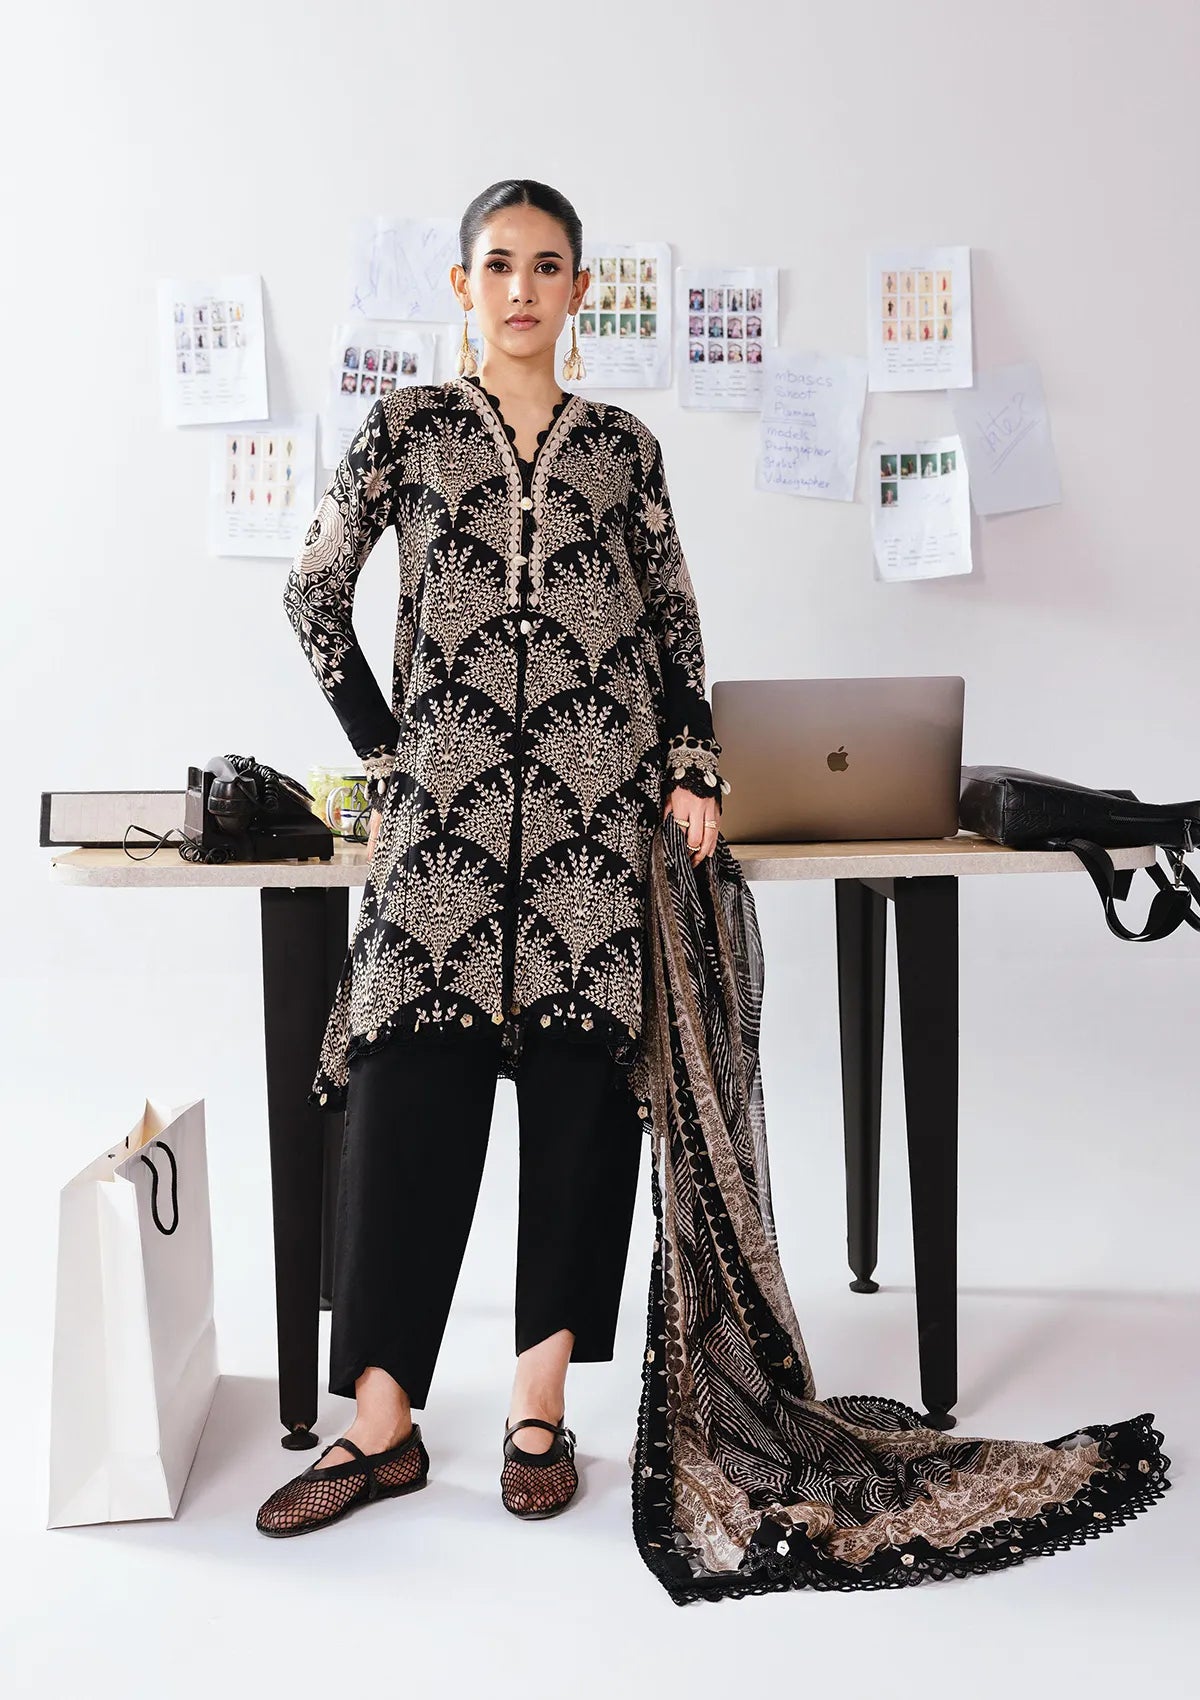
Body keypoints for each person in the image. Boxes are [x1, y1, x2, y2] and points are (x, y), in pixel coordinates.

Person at [257, 178, 729, 1536]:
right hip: (443, 829)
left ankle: (540, 1410)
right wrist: (388, 745)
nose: (524, 288)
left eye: (549, 265)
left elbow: (676, 632)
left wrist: (691, 766)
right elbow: (312, 589)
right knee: (407, 1088)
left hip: (591, 827)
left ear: (580, 290)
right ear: (463, 286)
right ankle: (381, 1425)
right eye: (500, 264)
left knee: (584, 1102)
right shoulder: (406, 429)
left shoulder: (624, 450)